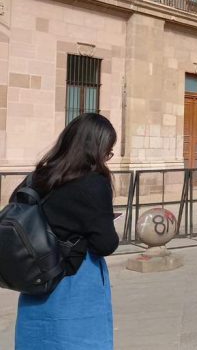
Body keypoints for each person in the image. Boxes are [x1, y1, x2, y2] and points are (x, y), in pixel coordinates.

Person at [13, 113, 120, 350]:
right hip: (74, 283)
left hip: (34, 280)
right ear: (97, 150)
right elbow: (105, 244)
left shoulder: (36, 177)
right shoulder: (93, 183)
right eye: (107, 151)